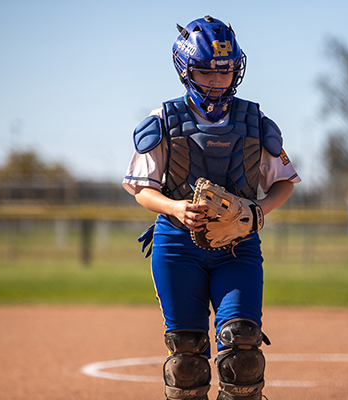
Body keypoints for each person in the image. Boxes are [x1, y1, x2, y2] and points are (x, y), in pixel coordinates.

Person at [122, 15, 300, 400]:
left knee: (243, 349)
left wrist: (259, 211)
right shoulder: (164, 120)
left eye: (226, 71)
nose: (218, 81)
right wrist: (174, 207)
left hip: (237, 246)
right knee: (186, 357)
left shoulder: (254, 121)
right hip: (177, 246)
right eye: (207, 72)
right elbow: (140, 189)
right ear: (185, 69)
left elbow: (284, 182)